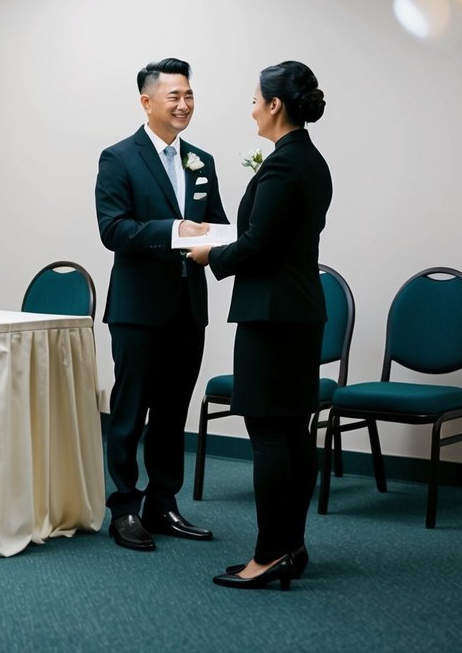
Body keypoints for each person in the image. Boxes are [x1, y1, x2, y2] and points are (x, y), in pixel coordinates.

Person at [187, 60, 331, 590]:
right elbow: (275, 234)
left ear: (275, 105)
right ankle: (291, 547)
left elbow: (258, 246)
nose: (250, 109)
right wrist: (225, 234)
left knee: (270, 435)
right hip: (300, 311)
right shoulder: (309, 162)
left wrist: (210, 255)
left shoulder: (282, 167)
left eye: (254, 100)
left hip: (271, 318)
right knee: (293, 432)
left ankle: (269, 554)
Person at [95, 57, 228, 552]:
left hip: (188, 307)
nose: (184, 104)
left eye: (189, 95)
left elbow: (214, 224)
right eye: (174, 96)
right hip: (137, 310)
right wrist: (174, 232)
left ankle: (163, 503)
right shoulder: (118, 158)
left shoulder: (202, 161)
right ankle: (125, 507)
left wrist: (227, 242)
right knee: (130, 412)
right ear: (146, 102)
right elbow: (114, 231)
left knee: (173, 413)